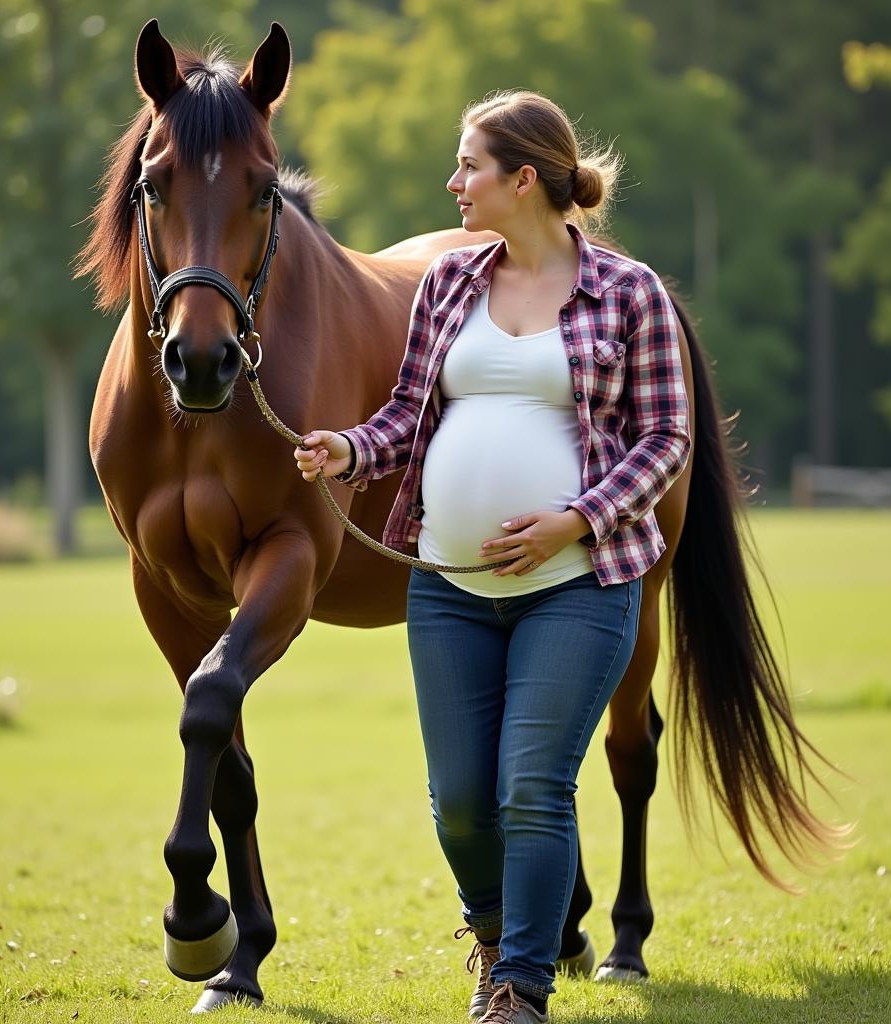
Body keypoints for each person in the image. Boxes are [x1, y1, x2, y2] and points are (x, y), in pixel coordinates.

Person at [293, 90, 691, 1024]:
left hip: (579, 584)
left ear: (523, 179)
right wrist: (348, 448)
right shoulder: (450, 284)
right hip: (448, 586)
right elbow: (409, 416)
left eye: (468, 165)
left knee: (531, 784)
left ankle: (518, 986)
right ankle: (491, 932)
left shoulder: (630, 292)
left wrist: (576, 520)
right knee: (461, 800)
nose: (452, 183)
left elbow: (668, 438)